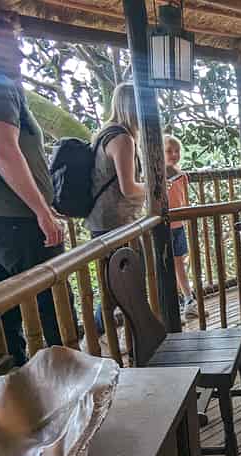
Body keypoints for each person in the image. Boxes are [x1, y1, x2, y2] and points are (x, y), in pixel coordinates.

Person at [0, 16, 67, 366]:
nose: (20, 53)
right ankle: (71, 382)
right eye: (10, 43)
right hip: (17, 222)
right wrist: (41, 210)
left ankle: (18, 383)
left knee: (5, 313)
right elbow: (2, 149)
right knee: (54, 310)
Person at [86, 82, 146, 335]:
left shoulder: (105, 134)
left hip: (105, 222)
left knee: (112, 285)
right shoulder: (122, 139)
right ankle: (109, 334)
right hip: (117, 223)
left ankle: (103, 333)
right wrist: (155, 188)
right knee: (124, 283)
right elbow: (128, 188)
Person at [164, 136, 198, 319]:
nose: (174, 154)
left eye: (177, 151)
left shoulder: (182, 175)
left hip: (178, 226)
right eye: (169, 151)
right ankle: (176, 303)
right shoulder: (157, 176)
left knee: (179, 264)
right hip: (164, 227)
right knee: (167, 266)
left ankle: (187, 300)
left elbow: (185, 199)